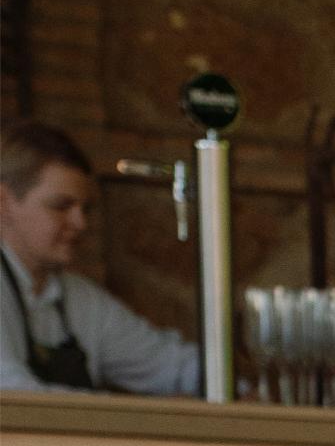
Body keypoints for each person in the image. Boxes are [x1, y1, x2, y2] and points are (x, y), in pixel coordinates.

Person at [0, 121, 202, 394]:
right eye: (61, 206)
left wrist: (240, 385)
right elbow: (15, 395)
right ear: (4, 203)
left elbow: (172, 366)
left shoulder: (80, 299)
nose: (80, 222)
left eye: (85, 208)